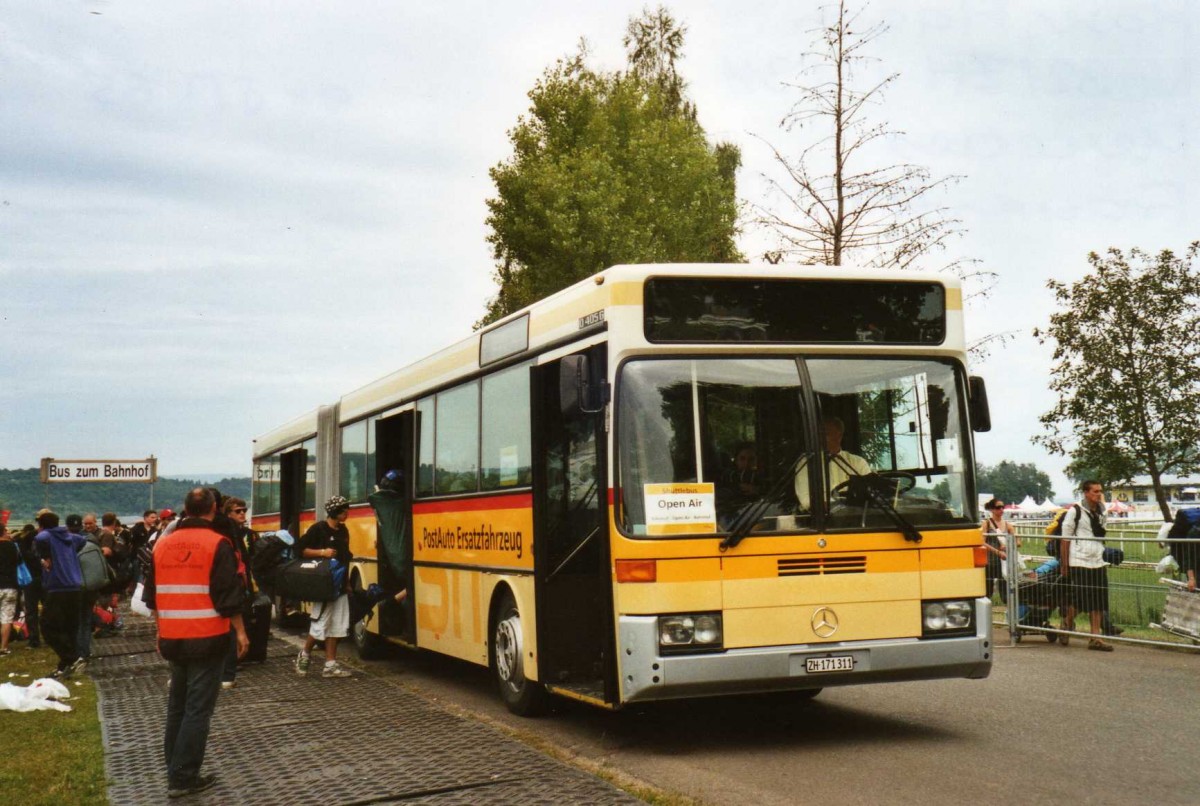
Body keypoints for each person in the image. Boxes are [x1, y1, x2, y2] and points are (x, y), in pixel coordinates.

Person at [142, 487, 248, 798]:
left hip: (173, 636)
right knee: (198, 709)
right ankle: (184, 777)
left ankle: (174, 767)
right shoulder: (219, 543)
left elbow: (152, 596)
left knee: (177, 706)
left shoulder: (163, 544)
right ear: (214, 508)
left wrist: (161, 630)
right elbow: (229, 596)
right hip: (207, 635)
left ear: (185, 509)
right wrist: (240, 632)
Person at [294, 495, 354, 679]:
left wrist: (348, 583)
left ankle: (330, 664)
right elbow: (300, 549)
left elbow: (345, 558)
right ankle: (304, 654)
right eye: (344, 511)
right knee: (320, 622)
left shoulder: (343, 531)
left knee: (337, 624)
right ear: (335, 512)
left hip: (339, 584)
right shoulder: (318, 529)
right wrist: (322, 552)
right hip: (322, 584)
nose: (347, 514)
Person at [34, 510, 88, 678]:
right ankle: (65, 666)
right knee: (69, 627)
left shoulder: (45, 537)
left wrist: (46, 556)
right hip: (75, 586)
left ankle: (72, 658)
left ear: (41, 525)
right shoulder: (70, 537)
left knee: (47, 626)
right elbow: (83, 540)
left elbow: (40, 538)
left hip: (58, 587)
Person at [1060, 480, 1113, 651]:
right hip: (1079, 559)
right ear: (1086, 492)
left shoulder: (1102, 511)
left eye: (1100, 491)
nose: (1099, 494)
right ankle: (1067, 622)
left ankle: (1095, 638)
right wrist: (1064, 564)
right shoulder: (1074, 511)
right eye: (1095, 491)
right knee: (1082, 599)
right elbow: (1065, 539)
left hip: (1097, 559)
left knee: (1098, 599)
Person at [794, 414, 872, 512]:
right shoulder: (807, 463)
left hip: (855, 520)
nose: (820, 437)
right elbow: (806, 500)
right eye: (819, 434)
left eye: (825, 433)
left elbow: (869, 494)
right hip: (820, 522)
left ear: (839, 436)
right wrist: (836, 507)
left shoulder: (858, 463)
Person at [980, 498, 1014, 602]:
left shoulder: (1008, 525)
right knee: (987, 592)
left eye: (1003, 507)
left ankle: (1009, 613)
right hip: (990, 562)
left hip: (1003, 562)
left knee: (1005, 592)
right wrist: (997, 552)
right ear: (992, 509)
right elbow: (982, 541)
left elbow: (1018, 542)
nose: (1001, 509)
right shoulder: (986, 523)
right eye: (998, 507)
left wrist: (1008, 545)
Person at [16, 524, 43, 648]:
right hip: (43, 576)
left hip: (29, 578)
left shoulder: (22, 541)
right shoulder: (45, 538)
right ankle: (50, 634)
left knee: (31, 610)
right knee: (48, 607)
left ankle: (34, 639)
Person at [0, 527, 21, 655]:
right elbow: (18, 562)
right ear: (3, 532)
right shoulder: (12, 546)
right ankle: (3, 647)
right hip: (10, 585)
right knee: (6, 618)